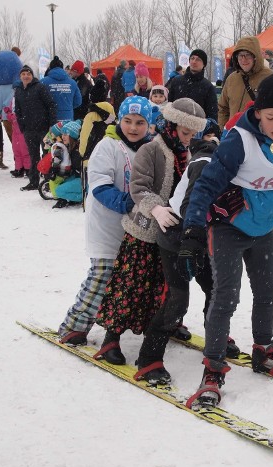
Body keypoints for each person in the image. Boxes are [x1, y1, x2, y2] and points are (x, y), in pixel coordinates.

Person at [177, 74, 273, 407]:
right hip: (228, 227)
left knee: (267, 290)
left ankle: (263, 351)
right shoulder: (239, 141)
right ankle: (213, 369)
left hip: (263, 227)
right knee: (226, 297)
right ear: (258, 112)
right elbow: (204, 188)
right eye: (271, 116)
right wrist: (191, 232)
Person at [93, 98, 207, 366]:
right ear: (171, 125)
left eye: (193, 134)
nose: (189, 138)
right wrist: (155, 208)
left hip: (171, 234)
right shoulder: (151, 150)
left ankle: (166, 323)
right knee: (130, 285)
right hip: (143, 231)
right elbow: (139, 187)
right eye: (184, 132)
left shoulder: (188, 154)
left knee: (162, 285)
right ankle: (112, 336)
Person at [133, 119, 243, 385]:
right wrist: (191, 242)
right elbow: (189, 205)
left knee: (214, 290)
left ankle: (214, 334)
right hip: (177, 237)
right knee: (177, 299)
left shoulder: (232, 163)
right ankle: (149, 358)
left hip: (202, 237)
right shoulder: (205, 160)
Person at [57, 96, 153, 345]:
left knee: (131, 275)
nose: (133, 127)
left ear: (149, 124)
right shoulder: (107, 146)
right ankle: (74, 325)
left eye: (140, 122)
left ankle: (129, 319)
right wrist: (129, 203)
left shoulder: (148, 148)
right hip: (106, 223)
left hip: (134, 225)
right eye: (128, 121)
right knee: (102, 274)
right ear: (120, 120)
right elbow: (100, 186)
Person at [15, 65, 58, 191]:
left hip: (44, 129)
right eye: (23, 74)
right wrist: (21, 125)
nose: (26, 76)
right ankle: (33, 181)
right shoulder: (18, 91)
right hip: (28, 129)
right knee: (33, 156)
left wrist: (52, 124)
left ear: (32, 76)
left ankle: (48, 182)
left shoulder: (40, 87)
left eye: (28, 74)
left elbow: (51, 105)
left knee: (47, 155)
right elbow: (18, 110)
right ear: (20, 77)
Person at [217, 36, 273, 128]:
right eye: (240, 55)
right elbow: (223, 108)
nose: (243, 59)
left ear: (256, 56)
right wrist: (224, 129)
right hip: (233, 136)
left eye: (248, 55)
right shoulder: (231, 79)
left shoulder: (270, 78)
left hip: (258, 137)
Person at [168, 49, 218, 121]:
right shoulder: (176, 81)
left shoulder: (208, 86)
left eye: (198, 59)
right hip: (176, 126)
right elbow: (169, 105)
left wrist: (210, 129)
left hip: (197, 128)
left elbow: (212, 114)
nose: (194, 62)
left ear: (204, 64)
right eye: (192, 58)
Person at [41, 56, 82, 122]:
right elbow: (78, 101)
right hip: (68, 117)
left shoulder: (43, 82)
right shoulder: (72, 82)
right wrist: (68, 107)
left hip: (50, 118)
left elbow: (38, 101)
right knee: (66, 132)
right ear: (62, 68)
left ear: (50, 68)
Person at [3, 95, 31, 178]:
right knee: (17, 150)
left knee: (25, 150)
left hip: (22, 129)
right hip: (15, 129)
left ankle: (28, 168)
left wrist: (11, 115)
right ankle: (19, 168)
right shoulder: (14, 99)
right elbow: (12, 113)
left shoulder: (26, 98)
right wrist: (8, 113)